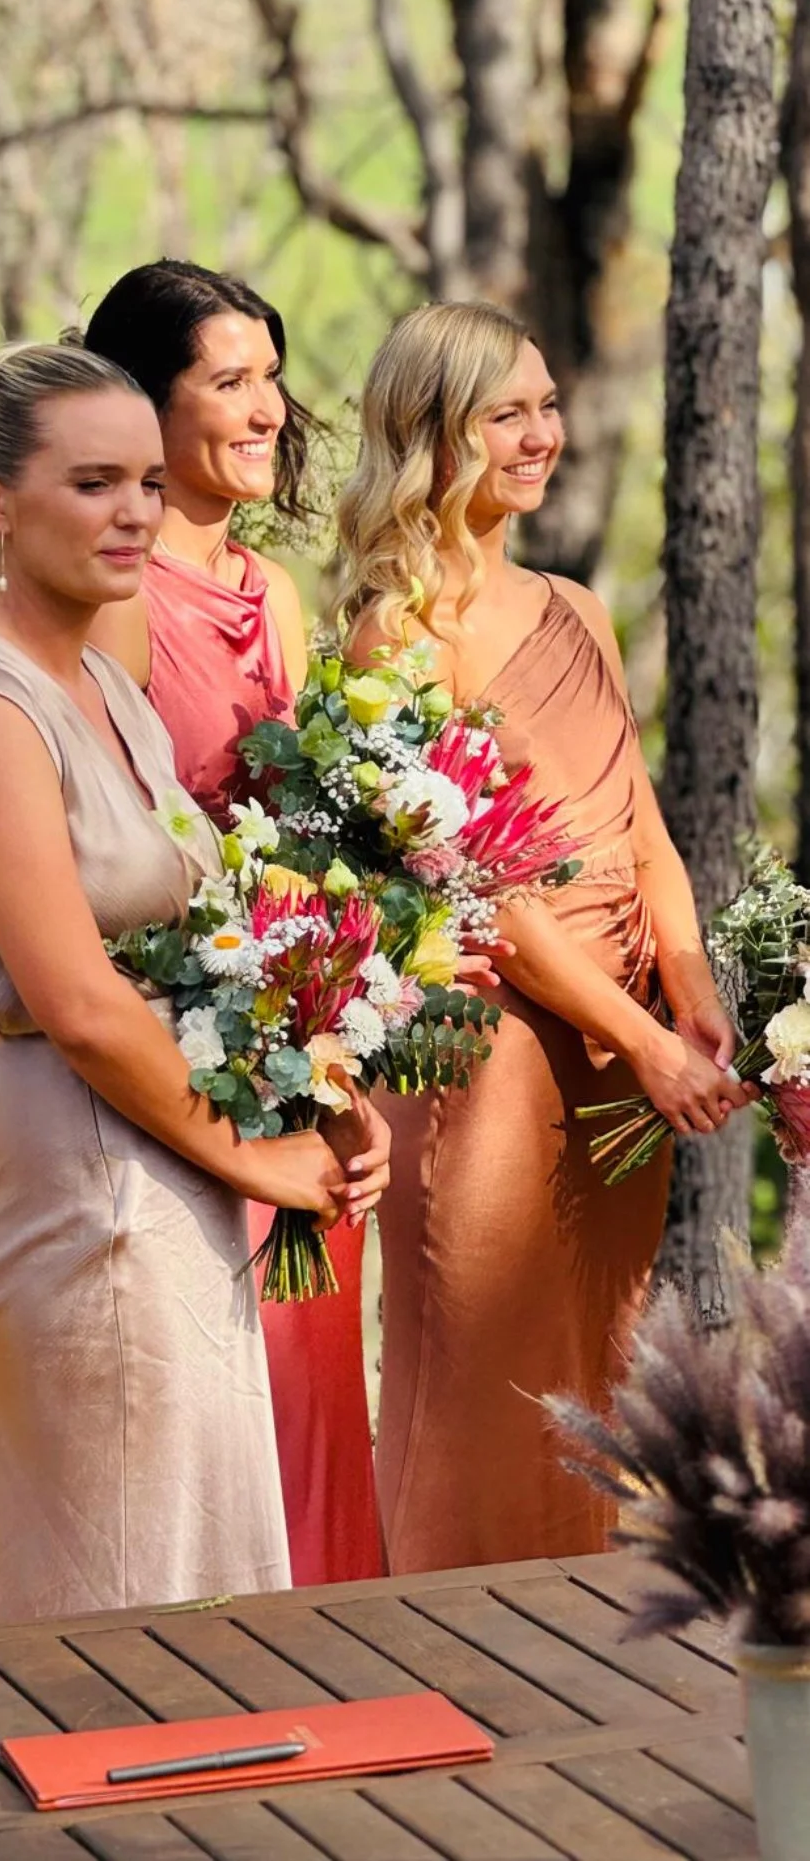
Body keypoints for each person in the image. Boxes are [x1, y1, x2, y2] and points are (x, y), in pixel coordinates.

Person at [0, 341, 389, 1623]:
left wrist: (311, 1086)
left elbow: (192, 939)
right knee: (115, 1591)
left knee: (195, 1570)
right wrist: (258, 1160)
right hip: (75, 1179)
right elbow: (87, 1005)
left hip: (163, 1162)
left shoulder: (97, 676)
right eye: (93, 482)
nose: (136, 512)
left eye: (148, 481)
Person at [336, 301, 753, 1574]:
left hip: (625, 1046)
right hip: (496, 1049)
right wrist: (638, 1033)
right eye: (504, 413)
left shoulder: (576, 603)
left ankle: (588, 1663)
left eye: (548, 405)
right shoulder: (393, 633)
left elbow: (642, 824)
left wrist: (685, 986)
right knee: (485, 1375)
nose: (540, 435)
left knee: (598, 1359)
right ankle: (455, 1659)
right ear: (432, 433)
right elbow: (476, 892)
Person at [84, 259, 382, 1586]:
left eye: (270, 376)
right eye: (228, 381)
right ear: (144, 412)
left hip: (306, 1057)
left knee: (315, 1404)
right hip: (186, 1073)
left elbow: (312, 839)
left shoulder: (277, 598)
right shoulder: (112, 606)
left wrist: (345, 1042)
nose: (267, 408)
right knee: (218, 1426)